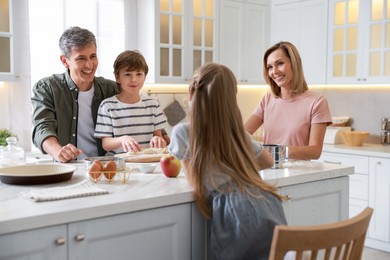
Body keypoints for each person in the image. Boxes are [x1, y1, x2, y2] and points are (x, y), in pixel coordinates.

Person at [168, 63, 287, 260]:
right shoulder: (238, 134)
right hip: (263, 198)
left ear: (191, 93)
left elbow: (194, 178)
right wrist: (234, 164)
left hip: (235, 209)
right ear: (231, 99)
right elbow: (266, 161)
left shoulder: (183, 132)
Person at [31, 26, 120, 163]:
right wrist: (58, 151)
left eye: (93, 56)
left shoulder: (111, 89)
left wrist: (159, 135)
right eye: (81, 58)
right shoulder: (47, 88)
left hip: (106, 167)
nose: (89, 65)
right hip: (69, 168)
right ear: (64, 61)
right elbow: (42, 128)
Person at [244, 41, 332, 161]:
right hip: (269, 171)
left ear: (294, 64)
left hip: (298, 174)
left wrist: (276, 151)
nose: (274, 72)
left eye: (280, 64)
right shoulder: (267, 100)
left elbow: (315, 151)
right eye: (269, 67)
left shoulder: (317, 102)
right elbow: (243, 134)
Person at [94, 50, 168, 154]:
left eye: (139, 74)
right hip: (119, 164)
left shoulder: (153, 104)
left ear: (145, 76)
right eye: (128, 74)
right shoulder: (107, 106)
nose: (134, 79)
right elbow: (106, 144)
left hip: (147, 162)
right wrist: (122, 139)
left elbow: (158, 136)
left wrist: (158, 140)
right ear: (117, 77)